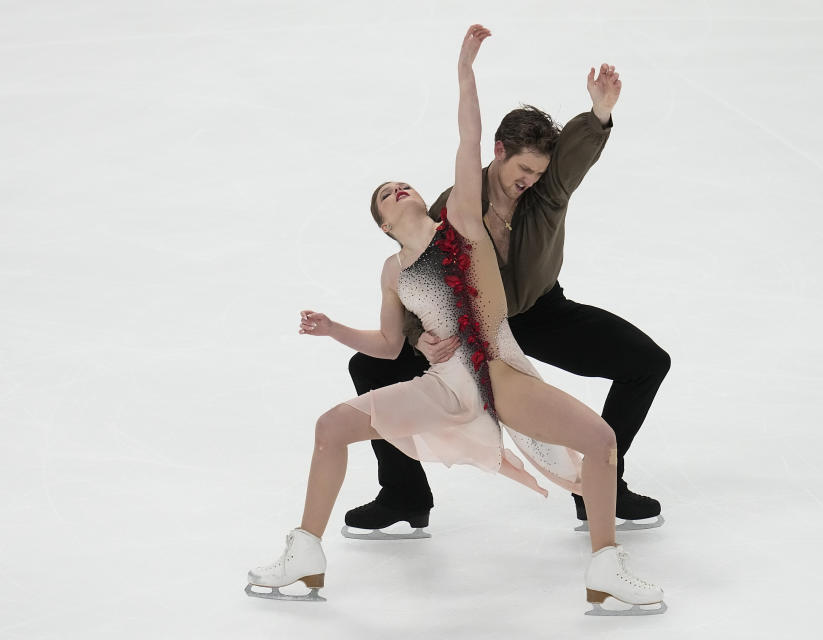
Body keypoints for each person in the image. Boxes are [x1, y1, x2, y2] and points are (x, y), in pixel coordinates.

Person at [246, 24, 665, 616]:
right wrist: (340, 329)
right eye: (385, 193)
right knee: (331, 425)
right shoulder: (392, 272)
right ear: (384, 225)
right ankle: (309, 551)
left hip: (496, 369)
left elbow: (470, 137)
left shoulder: (463, 221)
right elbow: (390, 346)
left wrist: (466, 71)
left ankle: (605, 566)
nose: (398, 187)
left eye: (402, 183)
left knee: (599, 440)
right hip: (445, 386)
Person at [344, 55, 670, 540]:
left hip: (542, 312)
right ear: (498, 151)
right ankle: (404, 495)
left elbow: (573, 160)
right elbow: (420, 281)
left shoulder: (547, 191)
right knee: (369, 369)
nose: (531, 181)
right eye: (524, 169)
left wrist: (599, 114)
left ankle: (602, 487)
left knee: (647, 361)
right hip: (475, 330)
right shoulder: (456, 205)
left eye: (540, 172)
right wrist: (419, 342)